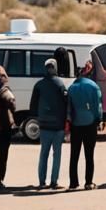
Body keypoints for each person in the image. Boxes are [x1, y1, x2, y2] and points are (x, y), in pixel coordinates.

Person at [30, 57, 67, 189]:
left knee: (43, 154)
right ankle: (54, 182)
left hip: (44, 125)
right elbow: (66, 103)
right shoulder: (60, 84)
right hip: (58, 126)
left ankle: (41, 182)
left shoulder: (39, 85)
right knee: (57, 155)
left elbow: (32, 107)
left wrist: (39, 118)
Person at [67, 60, 103, 190]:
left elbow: (69, 109)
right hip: (90, 124)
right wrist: (99, 120)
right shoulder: (94, 87)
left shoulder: (72, 87)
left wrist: (69, 122)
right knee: (89, 155)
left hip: (76, 125)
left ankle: (73, 183)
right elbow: (97, 107)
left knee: (74, 155)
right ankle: (88, 182)